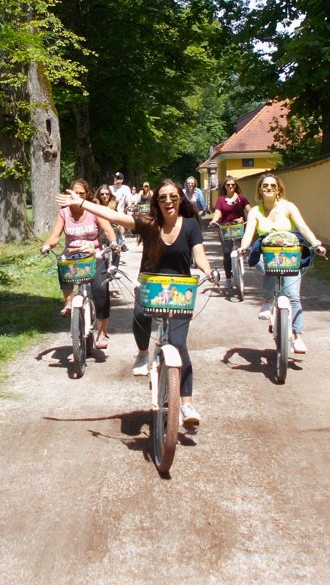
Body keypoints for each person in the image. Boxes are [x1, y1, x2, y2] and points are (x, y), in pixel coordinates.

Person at [56, 178, 217, 430]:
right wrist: (83, 203)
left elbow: (200, 257)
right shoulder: (149, 225)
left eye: (173, 197)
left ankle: (186, 404)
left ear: (180, 199)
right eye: (162, 198)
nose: (168, 202)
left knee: (180, 345)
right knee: (141, 315)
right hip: (150, 284)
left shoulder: (191, 226)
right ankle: (143, 354)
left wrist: (209, 273)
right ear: (157, 202)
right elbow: (114, 216)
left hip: (180, 290)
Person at [238, 170, 327, 357]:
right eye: (265, 186)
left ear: (278, 189)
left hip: (289, 253)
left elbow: (302, 227)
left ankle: (297, 335)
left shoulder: (288, 207)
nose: (269, 188)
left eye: (272, 186)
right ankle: (267, 300)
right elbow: (249, 233)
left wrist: (316, 243)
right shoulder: (255, 211)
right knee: (262, 265)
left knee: (293, 296)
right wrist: (243, 247)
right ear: (260, 190)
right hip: (268, 253)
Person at [40, 178, 116, 350]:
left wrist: (114, 243)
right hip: (73, 255)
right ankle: (69, 302)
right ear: (69, 194)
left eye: (82, 193)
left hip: (94, 254)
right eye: (75, 192)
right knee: (62, 262)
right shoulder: (64, 213)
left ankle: (102, 331)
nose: (78, 196)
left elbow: (109, 230)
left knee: (100, 290)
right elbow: (55, 236)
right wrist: (46, 245)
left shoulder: (93, 210)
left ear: (86, 195)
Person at [208, 175, 250, 282]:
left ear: (235, 186)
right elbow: (218, 213)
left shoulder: (242, 198)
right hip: (226, 229)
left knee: (241, 249)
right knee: (226, 253)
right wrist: (214, 221)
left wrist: (248, 219)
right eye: (228, 185)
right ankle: (228, 278)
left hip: (239, 228)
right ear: (225, 187)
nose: (231, 186)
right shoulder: (221, 200)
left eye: (233, 184)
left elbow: (251, 211)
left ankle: (240, 266)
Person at [109, 171, 132, 251]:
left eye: (118, 178)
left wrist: (129, 207)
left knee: (121, 227)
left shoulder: (125, 188)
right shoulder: (110, 188)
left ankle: (121, 242)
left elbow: (129, 198)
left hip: (120, 210)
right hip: (110, 210)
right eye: (115, 178)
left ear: (122, 180)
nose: (116, 180)